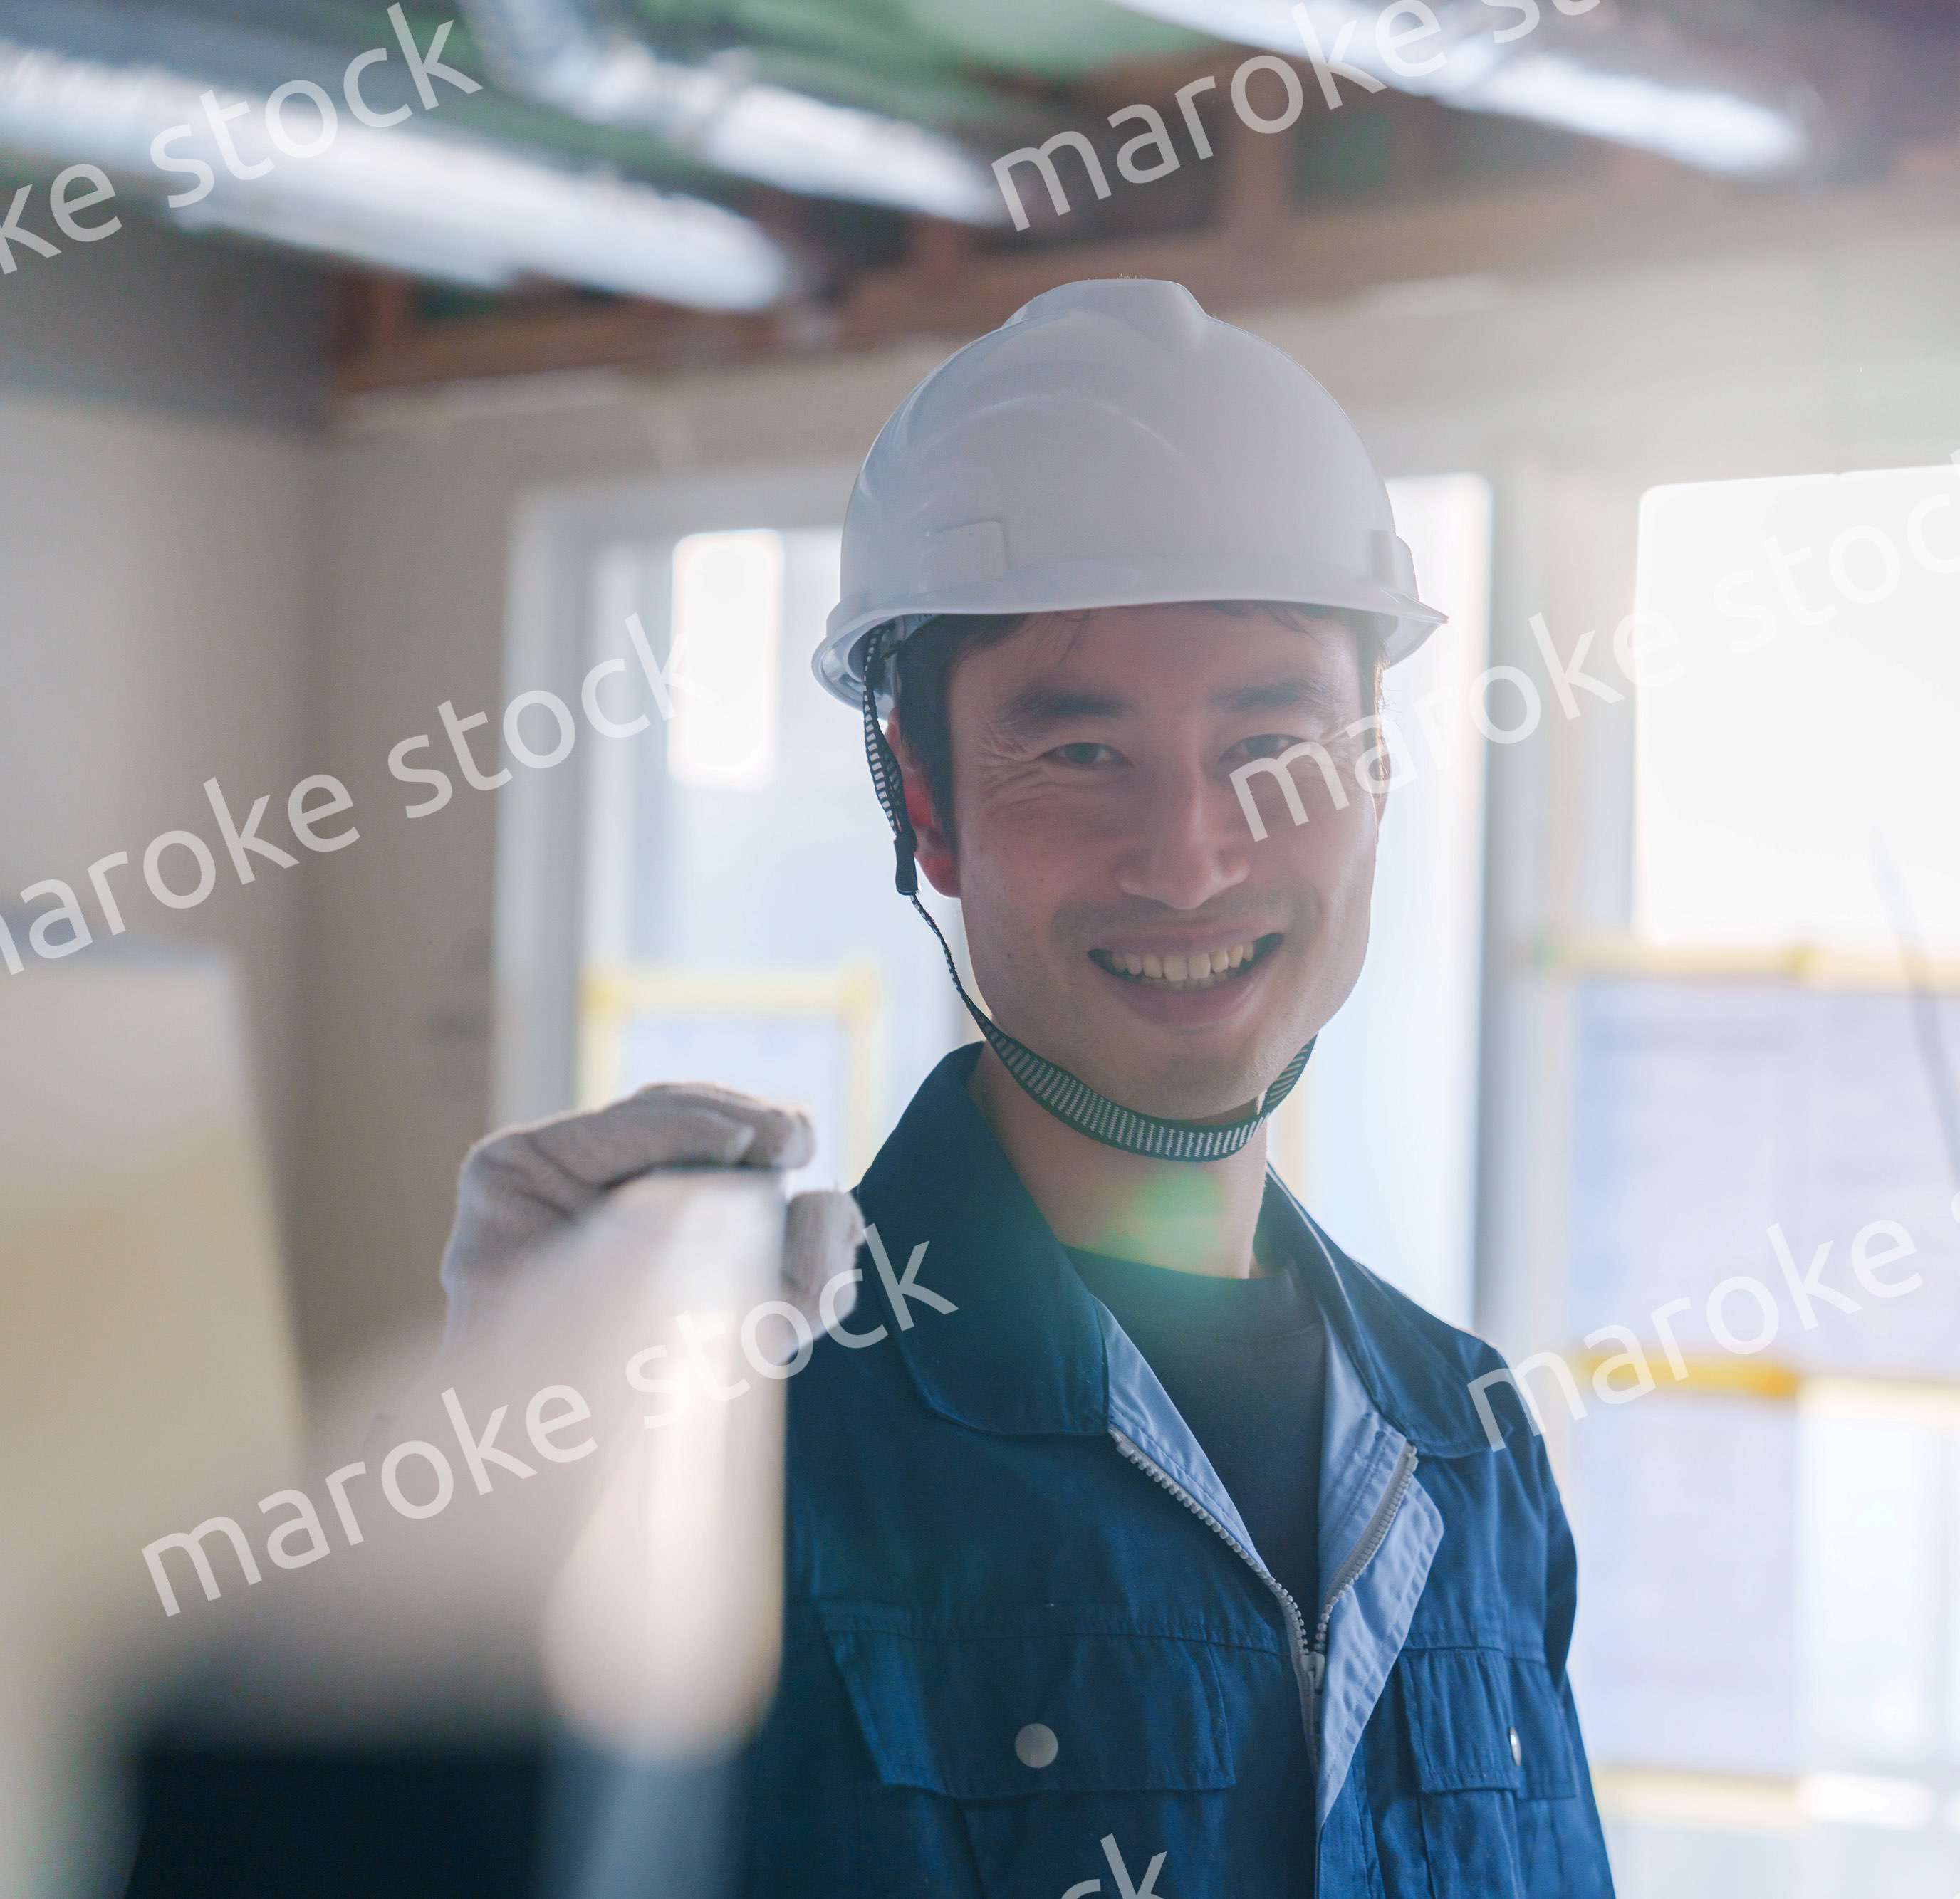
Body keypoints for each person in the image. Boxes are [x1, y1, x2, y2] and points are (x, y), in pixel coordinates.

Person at [437, 279, 1615, 1898]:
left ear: (1371, 777)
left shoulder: (1472, 1445)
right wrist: (488, 1541)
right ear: (925, 807)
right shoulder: (744, 1417)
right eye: (1077, 753)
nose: (1189, 855)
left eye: (1270, 741)